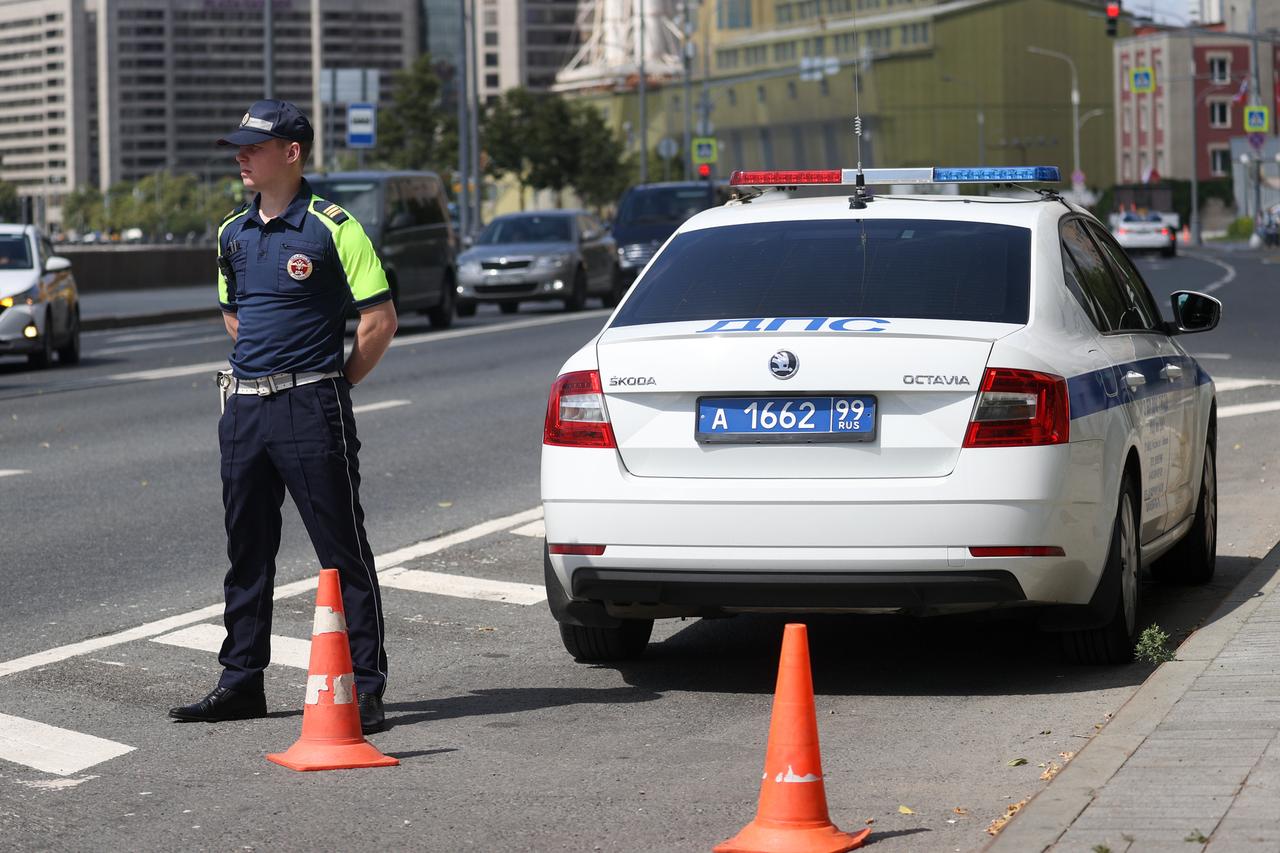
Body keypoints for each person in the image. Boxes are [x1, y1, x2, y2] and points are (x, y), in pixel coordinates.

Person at [169, 100, 398, 734]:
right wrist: (258, 375)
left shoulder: (334, 227)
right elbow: (233, 314)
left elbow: (379, 321)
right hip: (244, 406)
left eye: (252, 147)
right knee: (247, 550)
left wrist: (334, 381)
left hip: (310, 404)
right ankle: (241, 680)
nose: (240, 156)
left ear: (291, 153)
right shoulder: (231, 233)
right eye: (237, 147)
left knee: (339, 550)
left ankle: (367, 687)